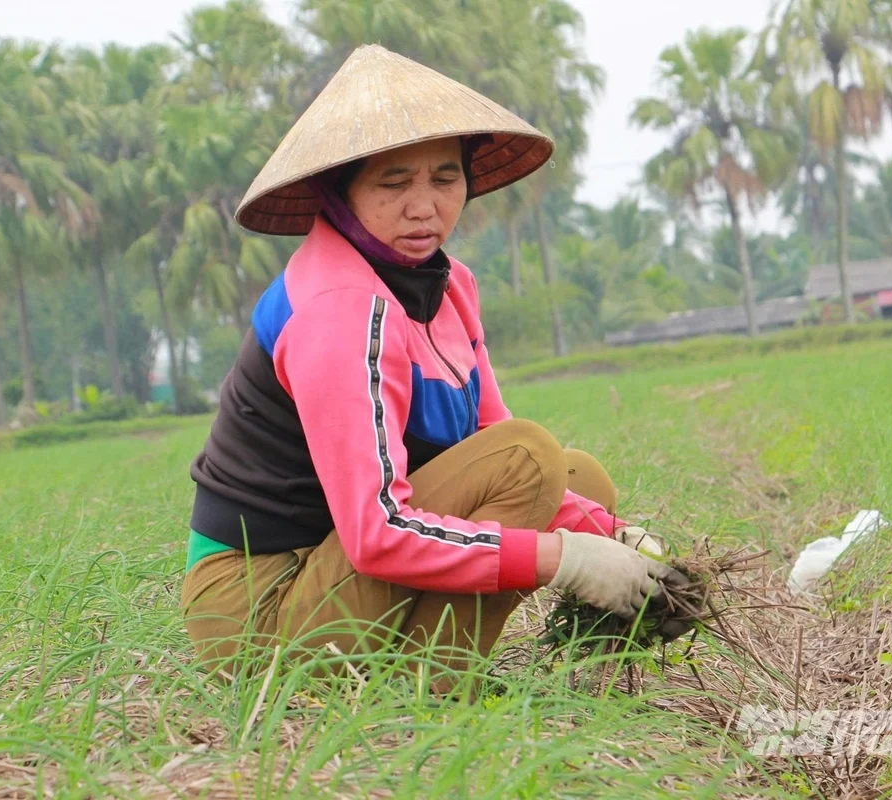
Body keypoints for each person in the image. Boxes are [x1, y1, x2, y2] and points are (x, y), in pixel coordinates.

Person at [181, 44, 689, 674]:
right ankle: (431, 695)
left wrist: (611, 535)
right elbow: (378, 533)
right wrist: (566, 559)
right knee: (529, 459)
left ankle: (432, 679)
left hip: (331, 569)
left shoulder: (448, 287)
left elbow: (487, 436)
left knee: (573, 478)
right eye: (394, 182)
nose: (424, 206)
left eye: (444, 179)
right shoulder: (341, 308)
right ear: (341, 193)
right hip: (263, 612)